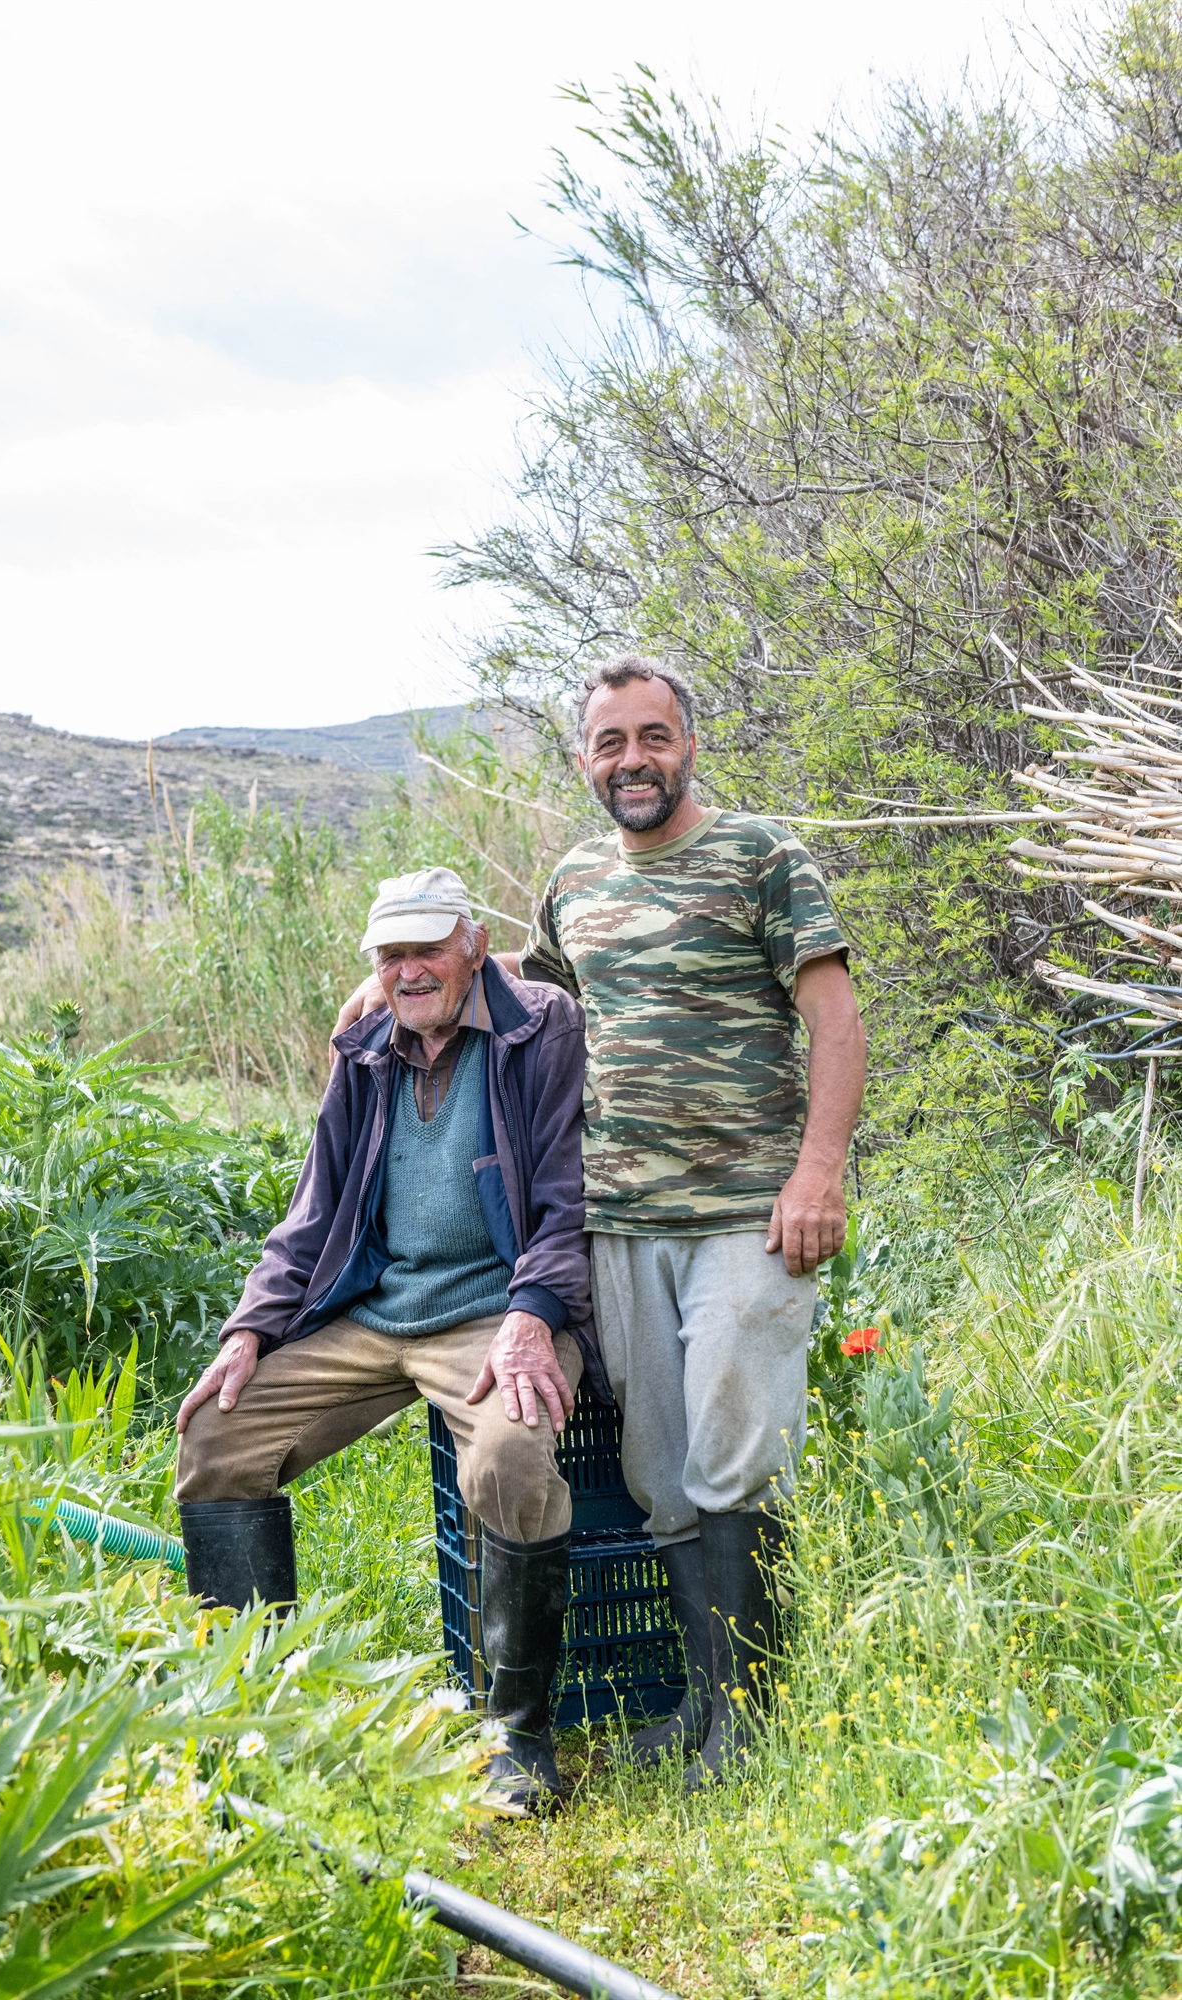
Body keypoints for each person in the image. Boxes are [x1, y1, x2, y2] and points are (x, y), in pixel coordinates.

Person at [336, 656, 865, 1789]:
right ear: (584, 758)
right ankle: (701, 1703)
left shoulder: (759, 857)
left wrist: (819, 1170)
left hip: (745, 1215)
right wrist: (397, 981)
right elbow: (528, 1000)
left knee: (733, 1457)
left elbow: (833, 1015)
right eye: (609, 741)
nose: (633, 759)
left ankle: (750, 1724)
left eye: (652, 735)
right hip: (616, 1223)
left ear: (688, 741)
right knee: (665, 1467)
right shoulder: (574, 879)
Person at [175, 866, 603, 1811]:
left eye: (425, 949)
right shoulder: (365, 1045)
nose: (409, 971)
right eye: (390, 954)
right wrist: (251, 1328)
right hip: (374, 1313)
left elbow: (568, 1196)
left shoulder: (538, 1028)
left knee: (508, 1462)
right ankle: (259, 1706)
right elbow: (314, 1206)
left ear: (472, 946)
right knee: (216, 1435)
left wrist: (535, 1318)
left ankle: (517, 1734)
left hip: (498, 1315)